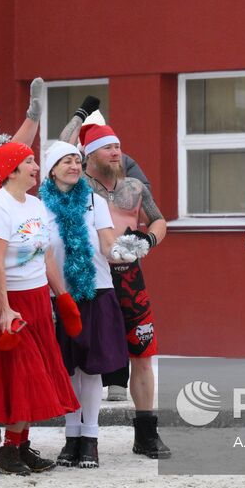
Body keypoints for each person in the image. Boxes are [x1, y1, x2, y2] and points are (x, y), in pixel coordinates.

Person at [0, 141, 81, 474]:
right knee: (23, 376)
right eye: (31, 161)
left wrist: (61, 297)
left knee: (38, 376)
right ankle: (8, 451)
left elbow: (47, 254)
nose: (37, 166)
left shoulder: (35, 203)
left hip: (38, 298)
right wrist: (5, 311)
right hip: (14, 300)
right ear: (13, 169)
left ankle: (20, 446)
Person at [79, 123, 172, 458]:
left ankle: (146, 434)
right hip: (91, 280)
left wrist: (148, 239)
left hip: (131, 279)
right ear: (89, 155)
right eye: (108, 147)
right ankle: (82, 437)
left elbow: (159, 221)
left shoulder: (133, 187)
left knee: (144, 355)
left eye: (118, 146)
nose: (116, 152)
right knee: (84, 359)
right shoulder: (77, 187)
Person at [38, 141, 129, 467]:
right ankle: (71, 435)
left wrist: (122, 251)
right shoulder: (38, 207)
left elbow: (107, 241)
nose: (75, 166)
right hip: (57, 294)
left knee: (90, 370)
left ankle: (89, 439)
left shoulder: (95, 201)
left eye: (77, 161)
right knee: (67, 368)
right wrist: (60, 293)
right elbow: (45, 254)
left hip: (95, 291)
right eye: (66, 161)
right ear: (51, 169)